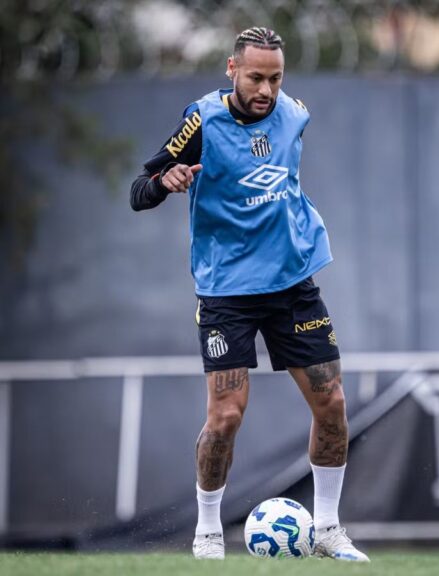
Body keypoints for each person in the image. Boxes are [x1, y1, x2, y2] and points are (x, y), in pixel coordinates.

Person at [129, 26, 368, 562]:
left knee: (332, 403)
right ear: (232, 69)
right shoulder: (201, 121)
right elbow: (139, 191)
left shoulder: (295, 114)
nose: (266, 90)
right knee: (226, 416)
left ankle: (327, 529)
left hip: (293, 283)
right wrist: (165, 182)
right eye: (256, 77)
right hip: (227, 292)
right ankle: (208, 533)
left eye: (276, 78)